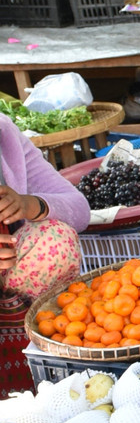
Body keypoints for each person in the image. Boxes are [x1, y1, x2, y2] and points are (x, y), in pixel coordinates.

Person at [0, 114, 90, 302]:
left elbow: (79, 208)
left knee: (55, 238)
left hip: (11, 283)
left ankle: (27, 324)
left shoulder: (5, 135)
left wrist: (28, 205)